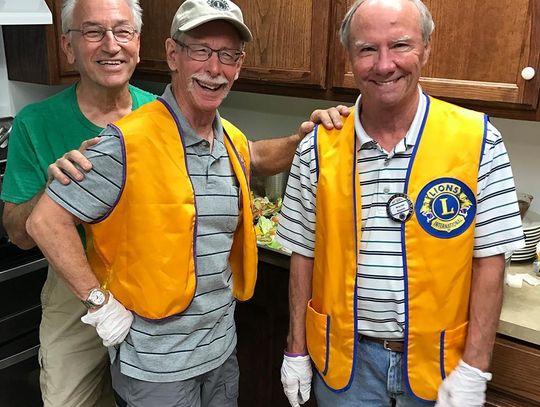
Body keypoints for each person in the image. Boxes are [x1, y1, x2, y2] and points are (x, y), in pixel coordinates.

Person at [23, 0, 345, 406]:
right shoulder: (126, 141)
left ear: (239, 65)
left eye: (228, 55)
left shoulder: (226, 138)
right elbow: (44, 223)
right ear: (173, 54)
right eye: (201, 51)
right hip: (155, 370)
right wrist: (98, 303)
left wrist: (302, 140)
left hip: (220, 352)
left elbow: (256, 156)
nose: (215, 68)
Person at [276, 0, 525, 406]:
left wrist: (475, 366)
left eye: (400, 45)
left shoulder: (477, 141)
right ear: (350, 58)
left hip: (442, 366)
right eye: (367, 49)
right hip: (344, 364)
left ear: (426, 47)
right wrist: (295, 348)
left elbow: (490, 260)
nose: (384, 64)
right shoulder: (318, 147)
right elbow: (303, 255)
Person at [1, 0, 154, 405]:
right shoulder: (35, 123)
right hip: (73, 292)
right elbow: (18, 235)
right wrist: (57, 186)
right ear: (68, 47)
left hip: (151, 284)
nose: (111, 45)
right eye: (92, 32)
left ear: (137, 43)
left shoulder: (162, 115)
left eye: (122, 32)